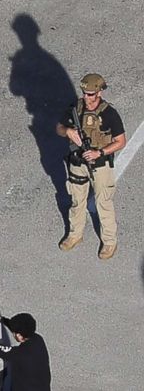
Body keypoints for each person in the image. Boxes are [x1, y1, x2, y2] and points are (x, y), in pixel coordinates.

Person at [56, 73, 128, 260]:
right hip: (78, 162)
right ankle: (75, 234)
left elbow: (121, 141)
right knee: (77, 200)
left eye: (91, 94)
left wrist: (100, 152)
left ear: (99, 93)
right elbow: (59, 128)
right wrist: (69, 132)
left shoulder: (109, 113)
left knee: (103, 203)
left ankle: (109, 242)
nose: (87, 98)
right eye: (85, 93)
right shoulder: (76, 109)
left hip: (99, 165)